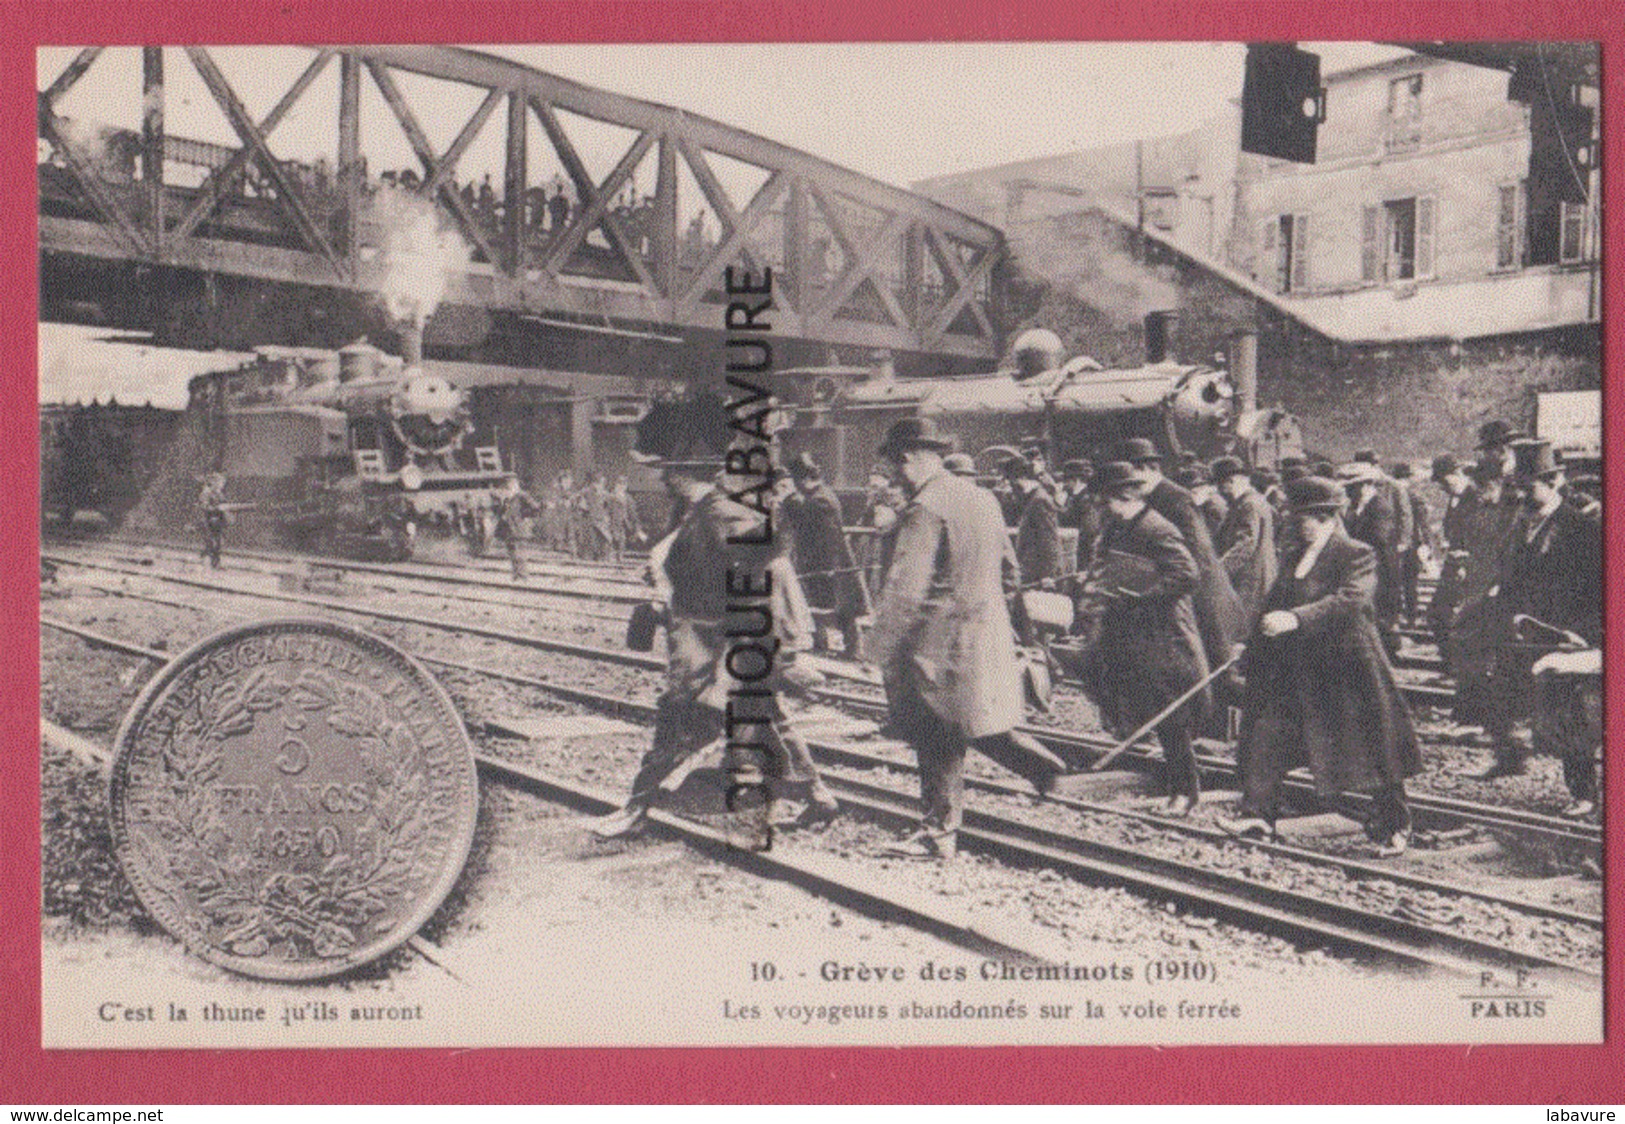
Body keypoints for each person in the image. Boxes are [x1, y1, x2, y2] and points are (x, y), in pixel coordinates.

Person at [591, 394, 839, 839]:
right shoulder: (706, 511)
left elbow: (758, 579)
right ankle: (819, 795)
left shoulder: (719, 515)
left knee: (676, 728)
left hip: (712, 651)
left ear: (682, 472)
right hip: (719, 645)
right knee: (770, 715)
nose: (662, 478)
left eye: (666, 469)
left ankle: (635, 810)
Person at [869, 418, 1068, 859]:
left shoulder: (926, 507)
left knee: (935, 733)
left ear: (906, 458)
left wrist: (879, 645)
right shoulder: (982, 499)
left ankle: (938, 834)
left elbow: (907, 586)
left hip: (935, 642)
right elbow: (1008, 567)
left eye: (894, 465)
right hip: (982, 631)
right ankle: (1040, 766)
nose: (895, 476)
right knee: (965, 721)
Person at [1224, 476, 1421, 856]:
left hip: (1348, 668)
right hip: (1301, 669)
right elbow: (1273, 604)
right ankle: (1257, 814)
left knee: (1371, 748)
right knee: (1268, 733)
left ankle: (1395, 826)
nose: (1302, 525)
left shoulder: (1356, 553)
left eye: (1310, 518)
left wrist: (1297, 618)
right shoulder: (1296, 555)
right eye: (1299, 518)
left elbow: (1352, 600)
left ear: (1329, 517)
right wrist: (1248, 648)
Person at [1465, 439, 1602, 794]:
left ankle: (1583, 793)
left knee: (1568, 714)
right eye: (1518, 487)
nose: (1522, 495)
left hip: (1563, 631)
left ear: (1554, 481)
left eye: (1529, 487)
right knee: (1493, 688)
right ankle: (1508, 754)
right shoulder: (1519, 523)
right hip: (1519, 628)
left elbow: (1600, 588)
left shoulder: (1581, 528)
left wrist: (1585, 634)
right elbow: (1508, 574)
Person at [1079, 462, 1209, 815]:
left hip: (1161, 634)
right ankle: (1175, 782)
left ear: (1122, 497)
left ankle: (1185, 791)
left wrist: (1142, 595)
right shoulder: (1118, 526)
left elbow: (1187, 574)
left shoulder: (1156, 528)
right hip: (1131, 631)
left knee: (1170, 712)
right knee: (1145, 705)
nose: (1101, 509)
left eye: (1105, 501)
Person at [1117, 438, 1245, 683]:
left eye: (1131, 481)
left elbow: (1197, 557)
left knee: (1217, 676)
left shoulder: (1177, 500)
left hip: (1203, 601)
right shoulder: (1153, 498)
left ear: (1146, 470)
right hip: (1183, 596)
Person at [783, 452, 871, 656]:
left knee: (840, 608)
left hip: (831, 561)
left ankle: (853, 651)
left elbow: (811, 523)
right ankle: (823, 645)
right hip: (821, 561)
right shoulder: (816, 496)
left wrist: (791, 502)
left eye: (797, 481)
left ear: (803, 478)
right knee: (819, 605)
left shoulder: (820, 499)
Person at [1211, 455, 1277, 629]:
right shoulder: (1252, 501)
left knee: (1241, 631)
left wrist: (1218, 572)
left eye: (1220, 486)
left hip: (1250, 581)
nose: (1220, 492)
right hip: (1252, 577)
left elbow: (1245, 545)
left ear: (1230, 481)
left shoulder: (1249, 505)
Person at [1425, 453, 1477, 650]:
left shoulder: (1474, 495)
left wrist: (1467, 560)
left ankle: (1456, 665)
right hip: (1453, 563)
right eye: (1439, 482)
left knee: (1455, 616)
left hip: (1468, 565)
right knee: (1436, 615)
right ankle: (1450, 662)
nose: (1442, 486)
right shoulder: (1454, 498)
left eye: (1445, 480)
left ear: (1458, 473)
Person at [495, 478, 540, 581]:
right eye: (506, 489)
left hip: (519, 529)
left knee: (519, 554)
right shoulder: (507, 500)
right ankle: (516, 575)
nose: (506, 491)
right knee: (512, 554)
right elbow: (502, 513)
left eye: (509, 488)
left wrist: (524, 517)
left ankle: (523, 576)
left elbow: (535, 508)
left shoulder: (522, 496)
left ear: (515, 487)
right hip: (509, 530)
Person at [199, 471, 228, 568]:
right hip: (207, 520)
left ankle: (215, 562)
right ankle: (207, 559)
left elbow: (223, 503)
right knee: (212, 542)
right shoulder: (206, 493)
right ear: (213, 482)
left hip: (218, 521)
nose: (221, 485)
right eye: (219, 483)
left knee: (219, 542)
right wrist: (216, 508)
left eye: (222, 483)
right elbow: (204, 506)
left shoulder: (219, 494)